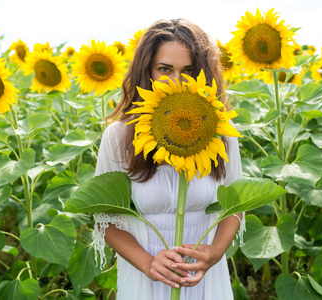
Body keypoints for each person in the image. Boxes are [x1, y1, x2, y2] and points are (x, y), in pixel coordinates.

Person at [92, 18, 244, 300]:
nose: (177, 82)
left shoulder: (219, 130)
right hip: (145, 276)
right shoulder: (119, 135)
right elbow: (107, 219)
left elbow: (235, 206)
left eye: (188, 71)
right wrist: (148, 263)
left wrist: (214, 252)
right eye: (165, 69)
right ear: (147, 71)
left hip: (205, 278)